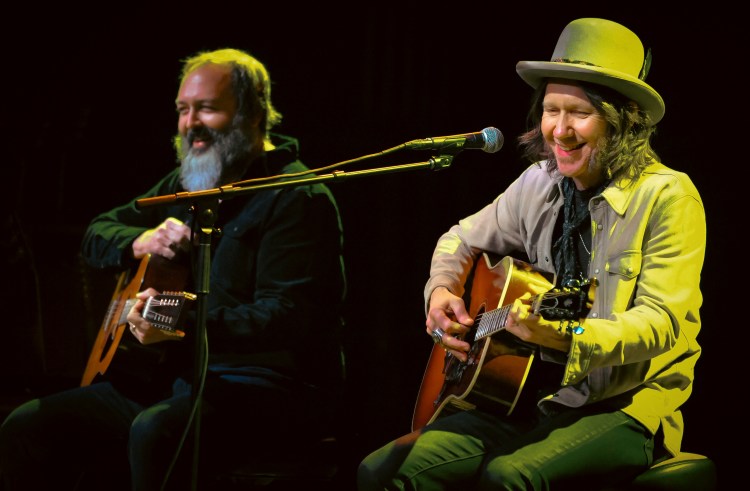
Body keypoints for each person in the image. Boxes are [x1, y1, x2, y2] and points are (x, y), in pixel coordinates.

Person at [358, 17, 705, 490]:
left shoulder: (669, 197)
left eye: (579, 113)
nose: (559, 130)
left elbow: (661, 323)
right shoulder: (539, 182)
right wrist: (440, 292)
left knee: (507, 477)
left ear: (623, 120)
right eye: (550, 110)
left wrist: (570, 335)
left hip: (625, 406)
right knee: (381, 471)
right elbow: (459, 239)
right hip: (529, 397)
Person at [0, 48, 347, 490]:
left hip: (266, 385)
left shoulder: (298, 197)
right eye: (183, 109)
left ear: (254, 113)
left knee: (155, 432)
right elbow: (97, 232)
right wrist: (139, 241)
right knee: (27, 426)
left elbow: (287, 318)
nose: (190, 123)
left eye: (207, 108)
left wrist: (178, 320)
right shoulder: (190, 183)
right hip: (176, 377)